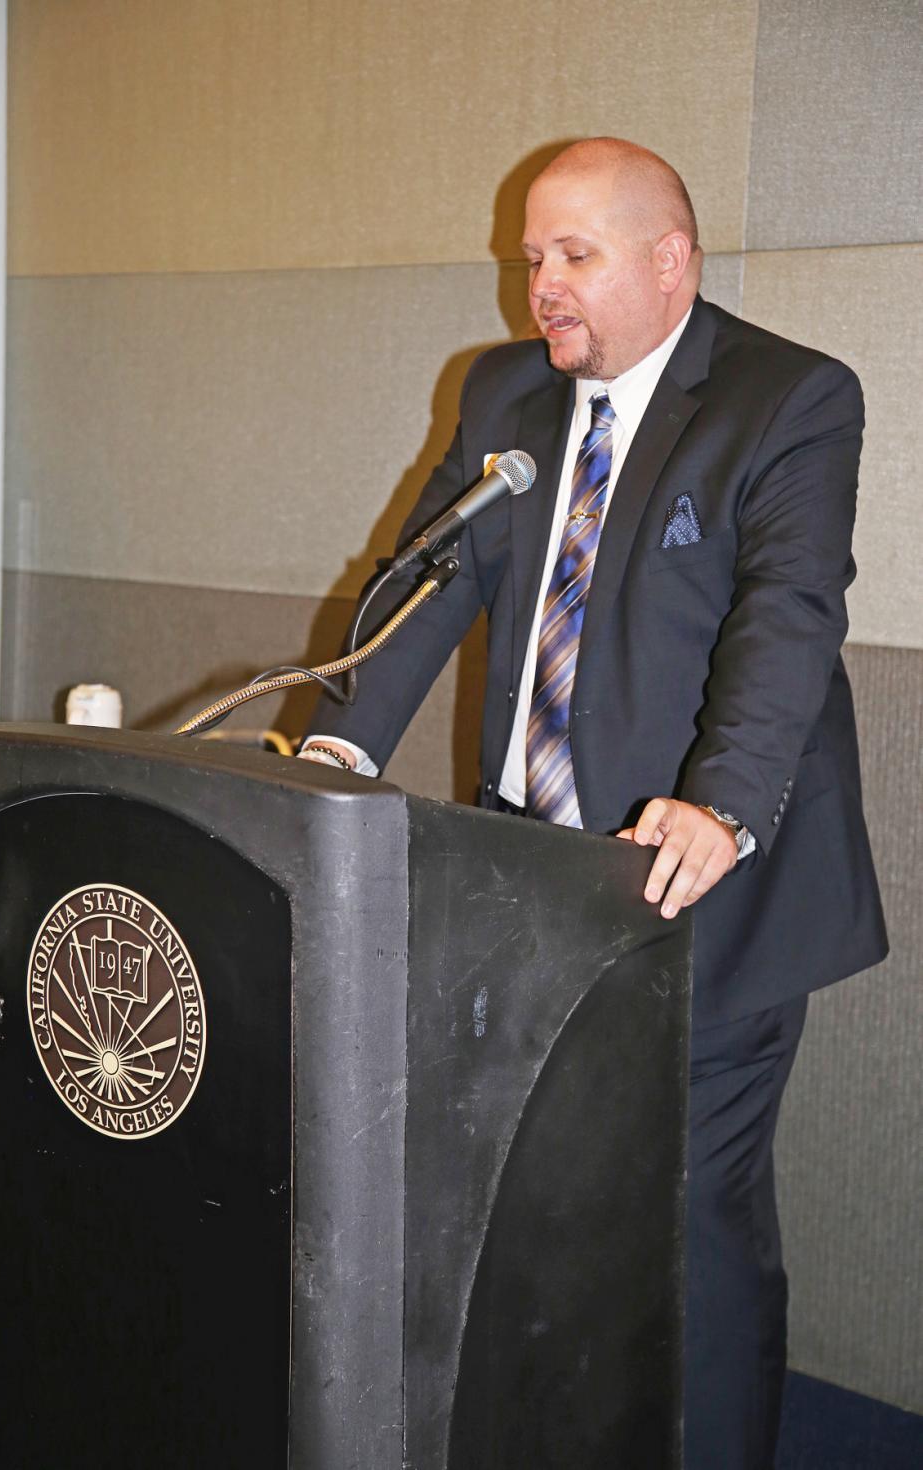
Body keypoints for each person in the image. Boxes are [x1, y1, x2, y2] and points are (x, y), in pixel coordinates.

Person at [299, 138, 888, 1469]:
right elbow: (428, 585)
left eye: (573, 255)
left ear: (669, 261)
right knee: (536, 1195)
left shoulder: (786, 398)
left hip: (700, 885)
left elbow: (784, 625)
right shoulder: (505, 392)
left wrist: (721, 807)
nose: (539, 287)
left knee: (695, 1219)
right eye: (529, 259)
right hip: (527, 877)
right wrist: (337, 752)